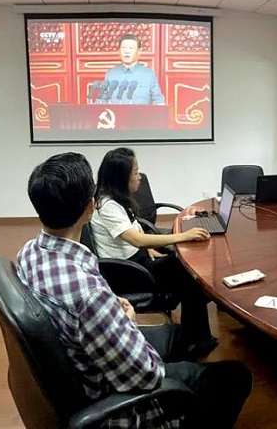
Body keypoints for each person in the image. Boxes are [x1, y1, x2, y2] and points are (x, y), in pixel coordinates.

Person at [17, 152, 252, 427]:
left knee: (180, 336)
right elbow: (147, 375)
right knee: (235, 376)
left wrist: (110, 303)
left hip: (78, 366)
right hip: (114, 403)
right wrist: (126, 320)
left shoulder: (28, 253)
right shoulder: (89, 296)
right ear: (90, 206)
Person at [91, 147, 217, 356]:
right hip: (128, 272)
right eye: (135, 173)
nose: (139, 177)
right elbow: (136, 239)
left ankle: (196, 335)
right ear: (121, 178)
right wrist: (182, 236)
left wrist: (150, 248)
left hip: (136, 260)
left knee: (184, 269)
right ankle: (195, 339)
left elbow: (134, 229)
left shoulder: (117, 199)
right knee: (188, 274)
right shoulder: (108, 205)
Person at [102, 33, 165, 105]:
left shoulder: (148, 74)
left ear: (139, 52)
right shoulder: (111, 74)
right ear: (119, 51)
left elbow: (158, 100)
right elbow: (102, 100)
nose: (127, 51)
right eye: (124, 48)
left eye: (131, 48)